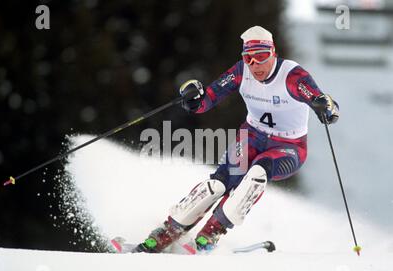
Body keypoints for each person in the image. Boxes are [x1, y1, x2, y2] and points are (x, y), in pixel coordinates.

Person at [134, 26, 339, 253]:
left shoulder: (292, 76)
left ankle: (211, 233)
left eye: (261, 57)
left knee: (258, 172)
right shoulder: (242, 72)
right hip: (252, 136)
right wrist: (193, 99)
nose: (255, 65)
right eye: (248, 58)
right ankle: (167, 233)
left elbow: (326, 104)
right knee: (220, 182)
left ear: (273, 53)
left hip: (289, 147)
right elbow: (208, 99)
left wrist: (326, 108)